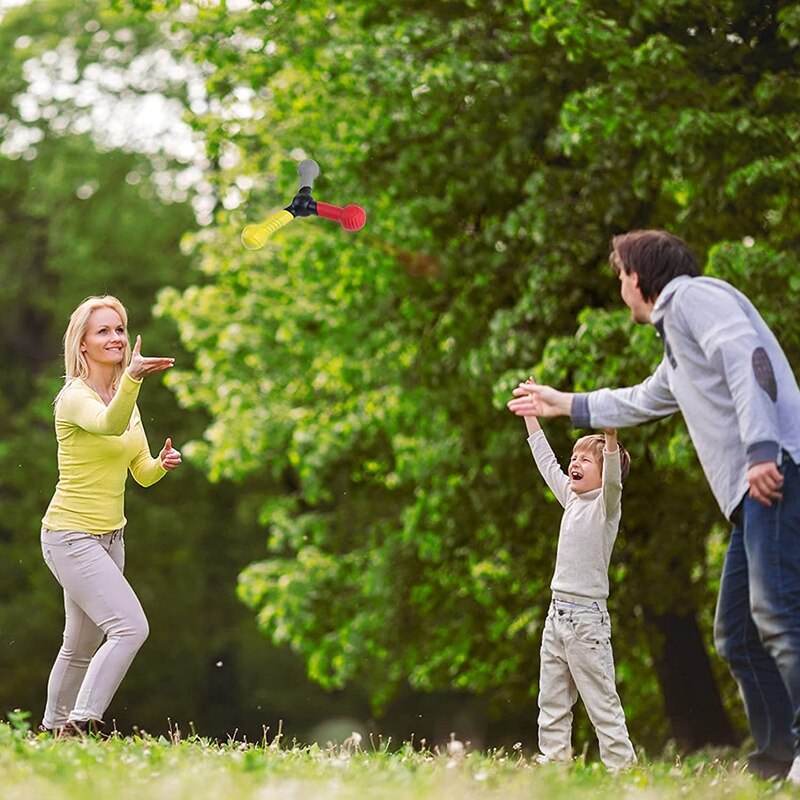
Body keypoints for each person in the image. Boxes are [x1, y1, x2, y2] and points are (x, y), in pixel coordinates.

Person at [512, 229, 800, 782]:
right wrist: (562, 404)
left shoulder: (694, 297)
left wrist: (763, 448)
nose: (620, 288)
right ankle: (775, 764)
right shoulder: (679, 343)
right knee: (738, 633)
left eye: (620, 276)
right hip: (749, 496)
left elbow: (750, 356)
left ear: (638, 277)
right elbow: (642, 399)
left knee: (778, 616)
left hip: (773, 472)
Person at [39, 295, 182, 737]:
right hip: (69, 536)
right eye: (103, 330)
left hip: (110, 539)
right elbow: (107, 425)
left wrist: (161, 464)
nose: (116, 338)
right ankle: (79, 724)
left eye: (119, 329)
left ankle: (49, 732)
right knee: (129, 627)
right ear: (82, 344)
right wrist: (134, 381)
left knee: (80, 645)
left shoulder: (126, 399)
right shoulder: (73, 398)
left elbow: (139, 473)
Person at [505, 391, 636, 769]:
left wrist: (610, 440)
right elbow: (546, 461)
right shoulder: (571, 498)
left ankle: (621, 768)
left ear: (602, 471)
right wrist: (531, 418)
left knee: (601, 699)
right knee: (552, 695)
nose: (573, 463)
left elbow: (613, 481)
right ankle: (555, 759)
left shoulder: (605, 507)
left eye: (584, 460)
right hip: (557, 615)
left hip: (587, 621)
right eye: (574, 457)